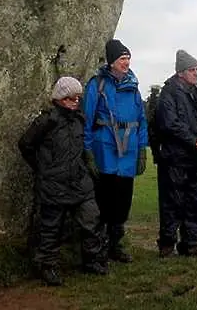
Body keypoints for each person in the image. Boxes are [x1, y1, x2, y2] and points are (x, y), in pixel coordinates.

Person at [18, 76, 108, 286]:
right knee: (51, 228)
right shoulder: (46, 121)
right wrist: (42, 167)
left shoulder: (80, 120)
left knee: (92, 220)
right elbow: (25, 144)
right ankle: (48, 267)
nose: (75, 101)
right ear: (60, 98)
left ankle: (92, 260)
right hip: (54, 184)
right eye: (71, 97)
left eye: (78, 97)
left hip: (78, 182)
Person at [82, 39, 148, 263]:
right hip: (105, 152)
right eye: (122, 59)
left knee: (122, 203)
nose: (126, 63)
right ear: (112, 62)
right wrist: (88, 151)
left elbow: (141, 121)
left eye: (128, 58)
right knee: (104, 202)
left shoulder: (133, 88)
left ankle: (116, 244)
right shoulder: (97, 85)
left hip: (127, 155)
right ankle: (98, 247)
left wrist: (141, 149)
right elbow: (87, 120)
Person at [155, 49, 197, 258]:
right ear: (181, 72)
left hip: (195, 159)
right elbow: (170, 124)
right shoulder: (168, 93)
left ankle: (190, 245)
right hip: (173, 158)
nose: (196, 73)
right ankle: (167, 245)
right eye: (192, 70)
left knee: (195, 203)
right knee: (172, 203)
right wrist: (195, 141)